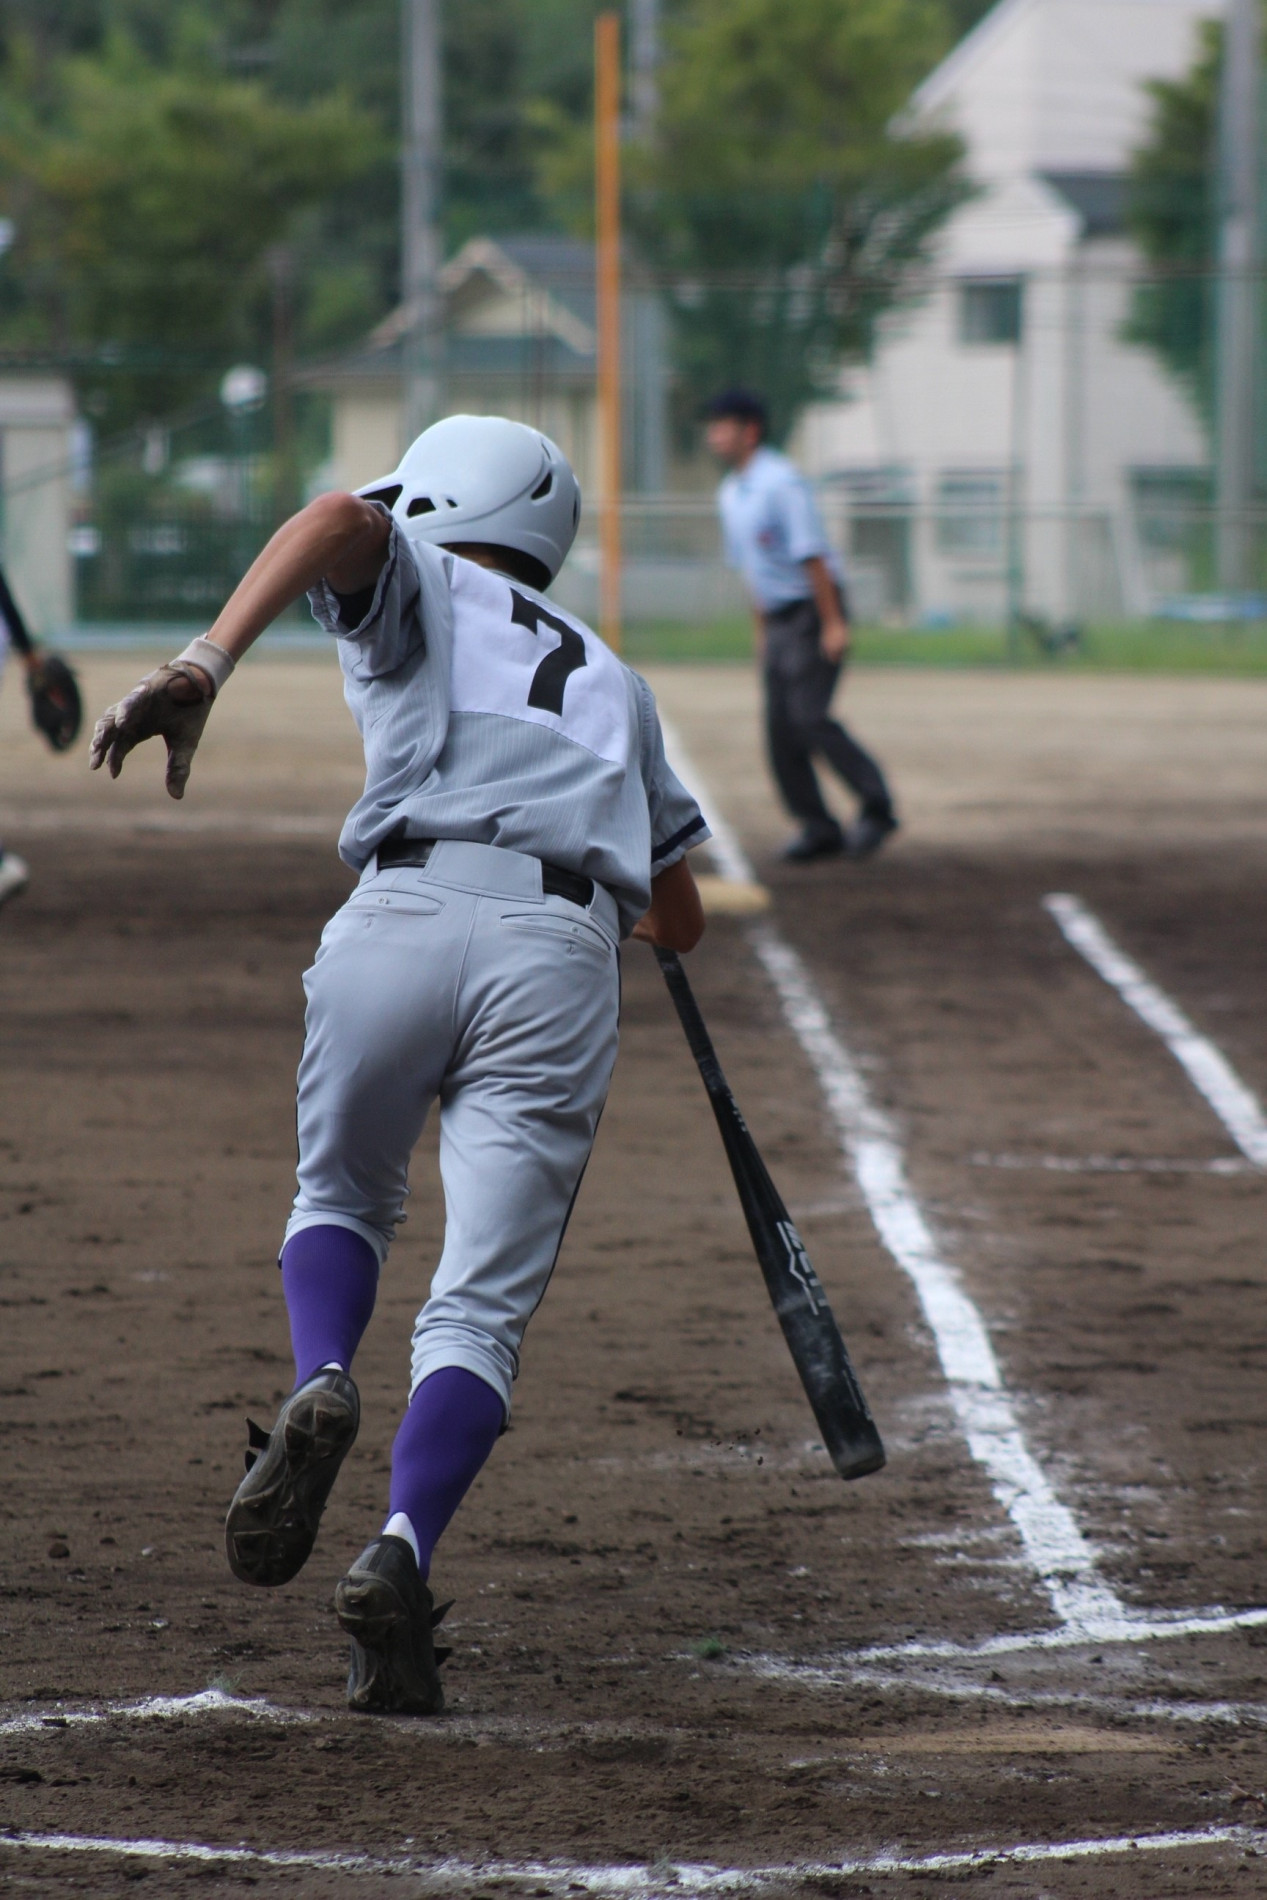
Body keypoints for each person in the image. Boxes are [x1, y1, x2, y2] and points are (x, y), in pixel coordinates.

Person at [90, 414, 709, 1717]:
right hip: (558, 951)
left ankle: (319, 1377)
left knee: (342, 1198)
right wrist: (604, 884)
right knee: (478, 1312)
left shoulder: (415, 576)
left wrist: (206, 663)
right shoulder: (612, 676)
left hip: (400, 914)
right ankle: (400, 1553)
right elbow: (681, 913)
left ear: (438, 503)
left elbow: (332, 521)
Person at [705, 388, 897, 863]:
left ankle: (878, 808)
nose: (714, 436)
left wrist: (833, 623)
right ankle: (817, 826)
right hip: (778, 620)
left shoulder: (781, 482)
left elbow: (813, 557)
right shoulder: (731, 493)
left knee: (810, 716)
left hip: (813, 610)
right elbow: (752, 570)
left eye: (723, 426)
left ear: (751, 431)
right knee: (779, 729)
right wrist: (762, 634)